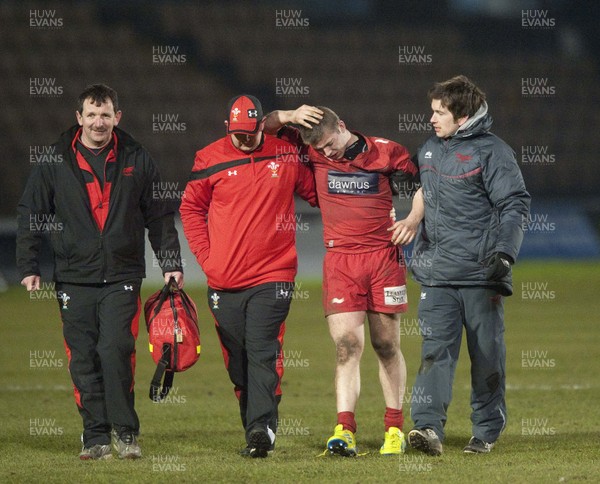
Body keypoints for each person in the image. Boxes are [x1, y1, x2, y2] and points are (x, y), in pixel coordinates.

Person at [16, 84, 184, 460]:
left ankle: (125, 433)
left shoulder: (137, 156)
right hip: (74, 275)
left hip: (123, 275)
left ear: (117, 117)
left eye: (105, 114)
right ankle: (94, 436)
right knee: (84, 358)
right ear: (79, 118)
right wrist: (28, 265)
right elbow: (31, 211)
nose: (98, 122)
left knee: (116, 350)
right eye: (91, 115)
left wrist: (170, 261)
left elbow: (158, 214)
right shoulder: (55, 158)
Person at [264, 105, 424, 456]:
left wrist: (413, 219)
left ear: (341, 125)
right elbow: (266, 128)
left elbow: (426, 182)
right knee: (346, 346)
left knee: (386, 345)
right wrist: (289, 115)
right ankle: (344, 430)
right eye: (320, 150)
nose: (327, 153)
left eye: (330, 144)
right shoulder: (311, 150)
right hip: (340, 261)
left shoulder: (386, 151)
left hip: (383, 258)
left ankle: (394, 429)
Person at [179, 94, 317, 458]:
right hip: (223, 280)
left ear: (261, 126)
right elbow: (191, 209)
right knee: (238, 361)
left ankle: (262, 429)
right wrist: (208, 260)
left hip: (274, 274)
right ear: (228, 128)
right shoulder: (208, 158)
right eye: (237, 134)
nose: (244, 140)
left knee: (261, 350)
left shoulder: (284, 153)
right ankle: (256, 427)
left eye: (251, 133)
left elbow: (316, 193)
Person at [402, 75, 531, 456]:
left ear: (463, 116)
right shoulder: (428, 149)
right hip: (437, 274)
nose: (431, 119)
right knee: (433, 352)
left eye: (439, 112)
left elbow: (514, 204)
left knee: (486, 354)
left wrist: (505, 252)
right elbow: (416, 184)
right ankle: (426, 427)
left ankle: (487, 430)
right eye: (431, 111)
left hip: (481, 273)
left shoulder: (493, 152)